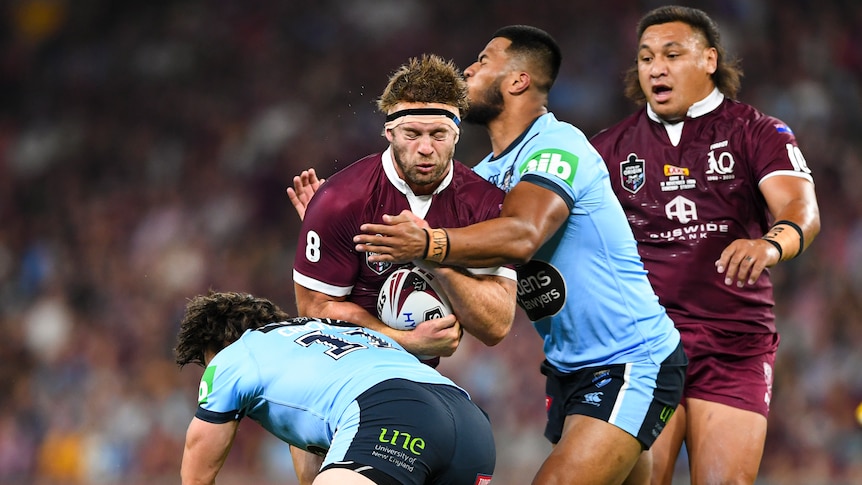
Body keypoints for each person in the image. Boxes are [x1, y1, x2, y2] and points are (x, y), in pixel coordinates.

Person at [350, 26, 687, 485]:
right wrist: (334, 223)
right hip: (568, 368)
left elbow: (523, 234)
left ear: (518, 80)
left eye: (484, 60)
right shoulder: (482, 177)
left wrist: (430, 244)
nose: (468, 68)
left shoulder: (558, 145)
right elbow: (420, 250)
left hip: (630, 357)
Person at [588, 6, 821, 484]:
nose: (656, 67)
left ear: (710, 59)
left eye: (672, 54)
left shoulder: (757, 131)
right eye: (646, 57)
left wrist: (770, 246)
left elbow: (801, 210)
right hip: (646, 343)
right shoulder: (607, 149)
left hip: (735, 341)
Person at [289, 54, 517, 483]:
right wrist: (405, 339)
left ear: (457, 133)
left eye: (439, 134)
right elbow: (313, 312)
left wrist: (431, 253)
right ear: (389, 132)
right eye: (412, 133)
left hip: (417, 387)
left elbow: (498, 324)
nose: (426, 148)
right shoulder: (342, 200)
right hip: (334, 378)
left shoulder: (486, 205)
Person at [175, 291, 496, 485]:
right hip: (471, 426)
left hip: (390, 414)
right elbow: (311, 466)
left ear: (218, 346)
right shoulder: (330, 337)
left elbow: (196, 476)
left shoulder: (236, 354)